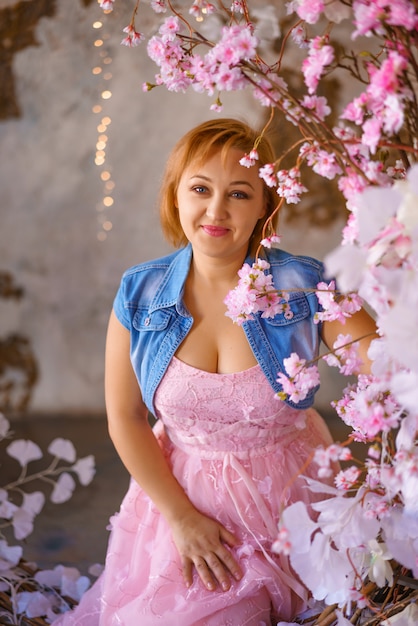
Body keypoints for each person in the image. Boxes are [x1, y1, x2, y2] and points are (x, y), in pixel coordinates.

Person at [53, 118, 377, 625]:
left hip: (294, 504)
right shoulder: (140, 294)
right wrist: (182, 519)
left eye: (240, 193)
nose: (216, 210)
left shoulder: (303, 286)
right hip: (185, 507)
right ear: (175, 195)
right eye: (200, 188)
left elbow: (389, 366)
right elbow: (125, 418)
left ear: (266, 207)